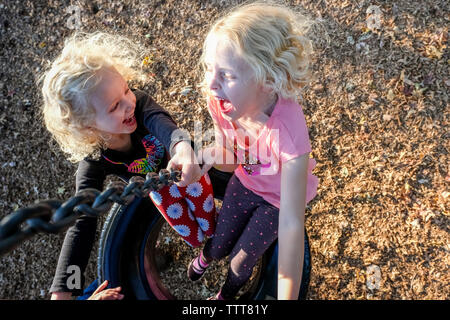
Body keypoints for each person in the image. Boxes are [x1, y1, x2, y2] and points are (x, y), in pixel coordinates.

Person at [39, 32, 216, 300]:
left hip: (183, 170)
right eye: (114, 107)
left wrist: (181, 147)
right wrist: (64, 288)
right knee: (191, 235)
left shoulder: (140, 105)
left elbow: (163, 123)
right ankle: (197, 250)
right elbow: (82, 220)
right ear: (89, 125)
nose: (128, 104)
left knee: (209, 221)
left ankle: (217, 243)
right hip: (158, 192)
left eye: (126, 90)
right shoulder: (94, 160)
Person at [187, 2, 319, 300]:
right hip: (246, 182)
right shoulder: (220, 102)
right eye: (210, 68)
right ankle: (206, 258)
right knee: (220, 239)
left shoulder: (288, 136)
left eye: (227, 75)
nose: (211, 83)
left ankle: (227, 294)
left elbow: (291, 224)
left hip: (276, 202)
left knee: (241, 261)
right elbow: (230, 155)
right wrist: (206, 157)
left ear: (268, 81)